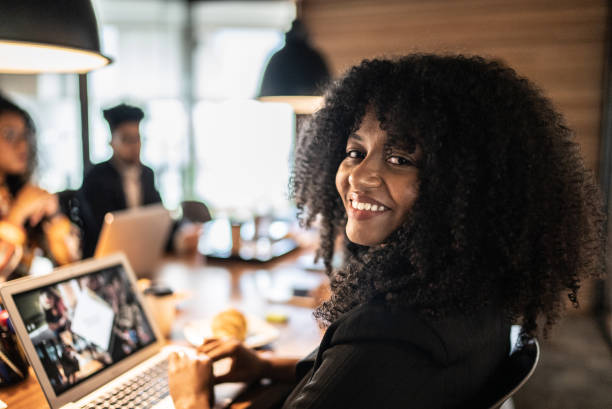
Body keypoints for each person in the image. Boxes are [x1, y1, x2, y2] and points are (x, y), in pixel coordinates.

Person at [166, 55, 605, 408]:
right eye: (356, 151)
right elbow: (361, 381)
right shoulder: (470, 292)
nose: (359, 176)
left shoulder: (391, 331)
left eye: (399, 159)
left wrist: (192, 399)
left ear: (465, 185)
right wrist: (268, 366)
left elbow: (372, 367)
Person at [78, 103, 200, 258]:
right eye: (126, 139)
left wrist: (183, 232)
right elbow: (101, 232)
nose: (134, 146)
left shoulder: (146, 174)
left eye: (137, 138)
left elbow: (158, 216)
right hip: (106, 260)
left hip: (142, 257)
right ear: (111, 142)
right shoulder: (95, 178)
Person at [0, 94, 80, 281]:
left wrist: (55, 215)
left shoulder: (19, 192)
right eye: (9, 135)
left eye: (24, 135)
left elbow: (70, 262)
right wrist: (17, 214)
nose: (22, 145)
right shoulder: (21, 200)